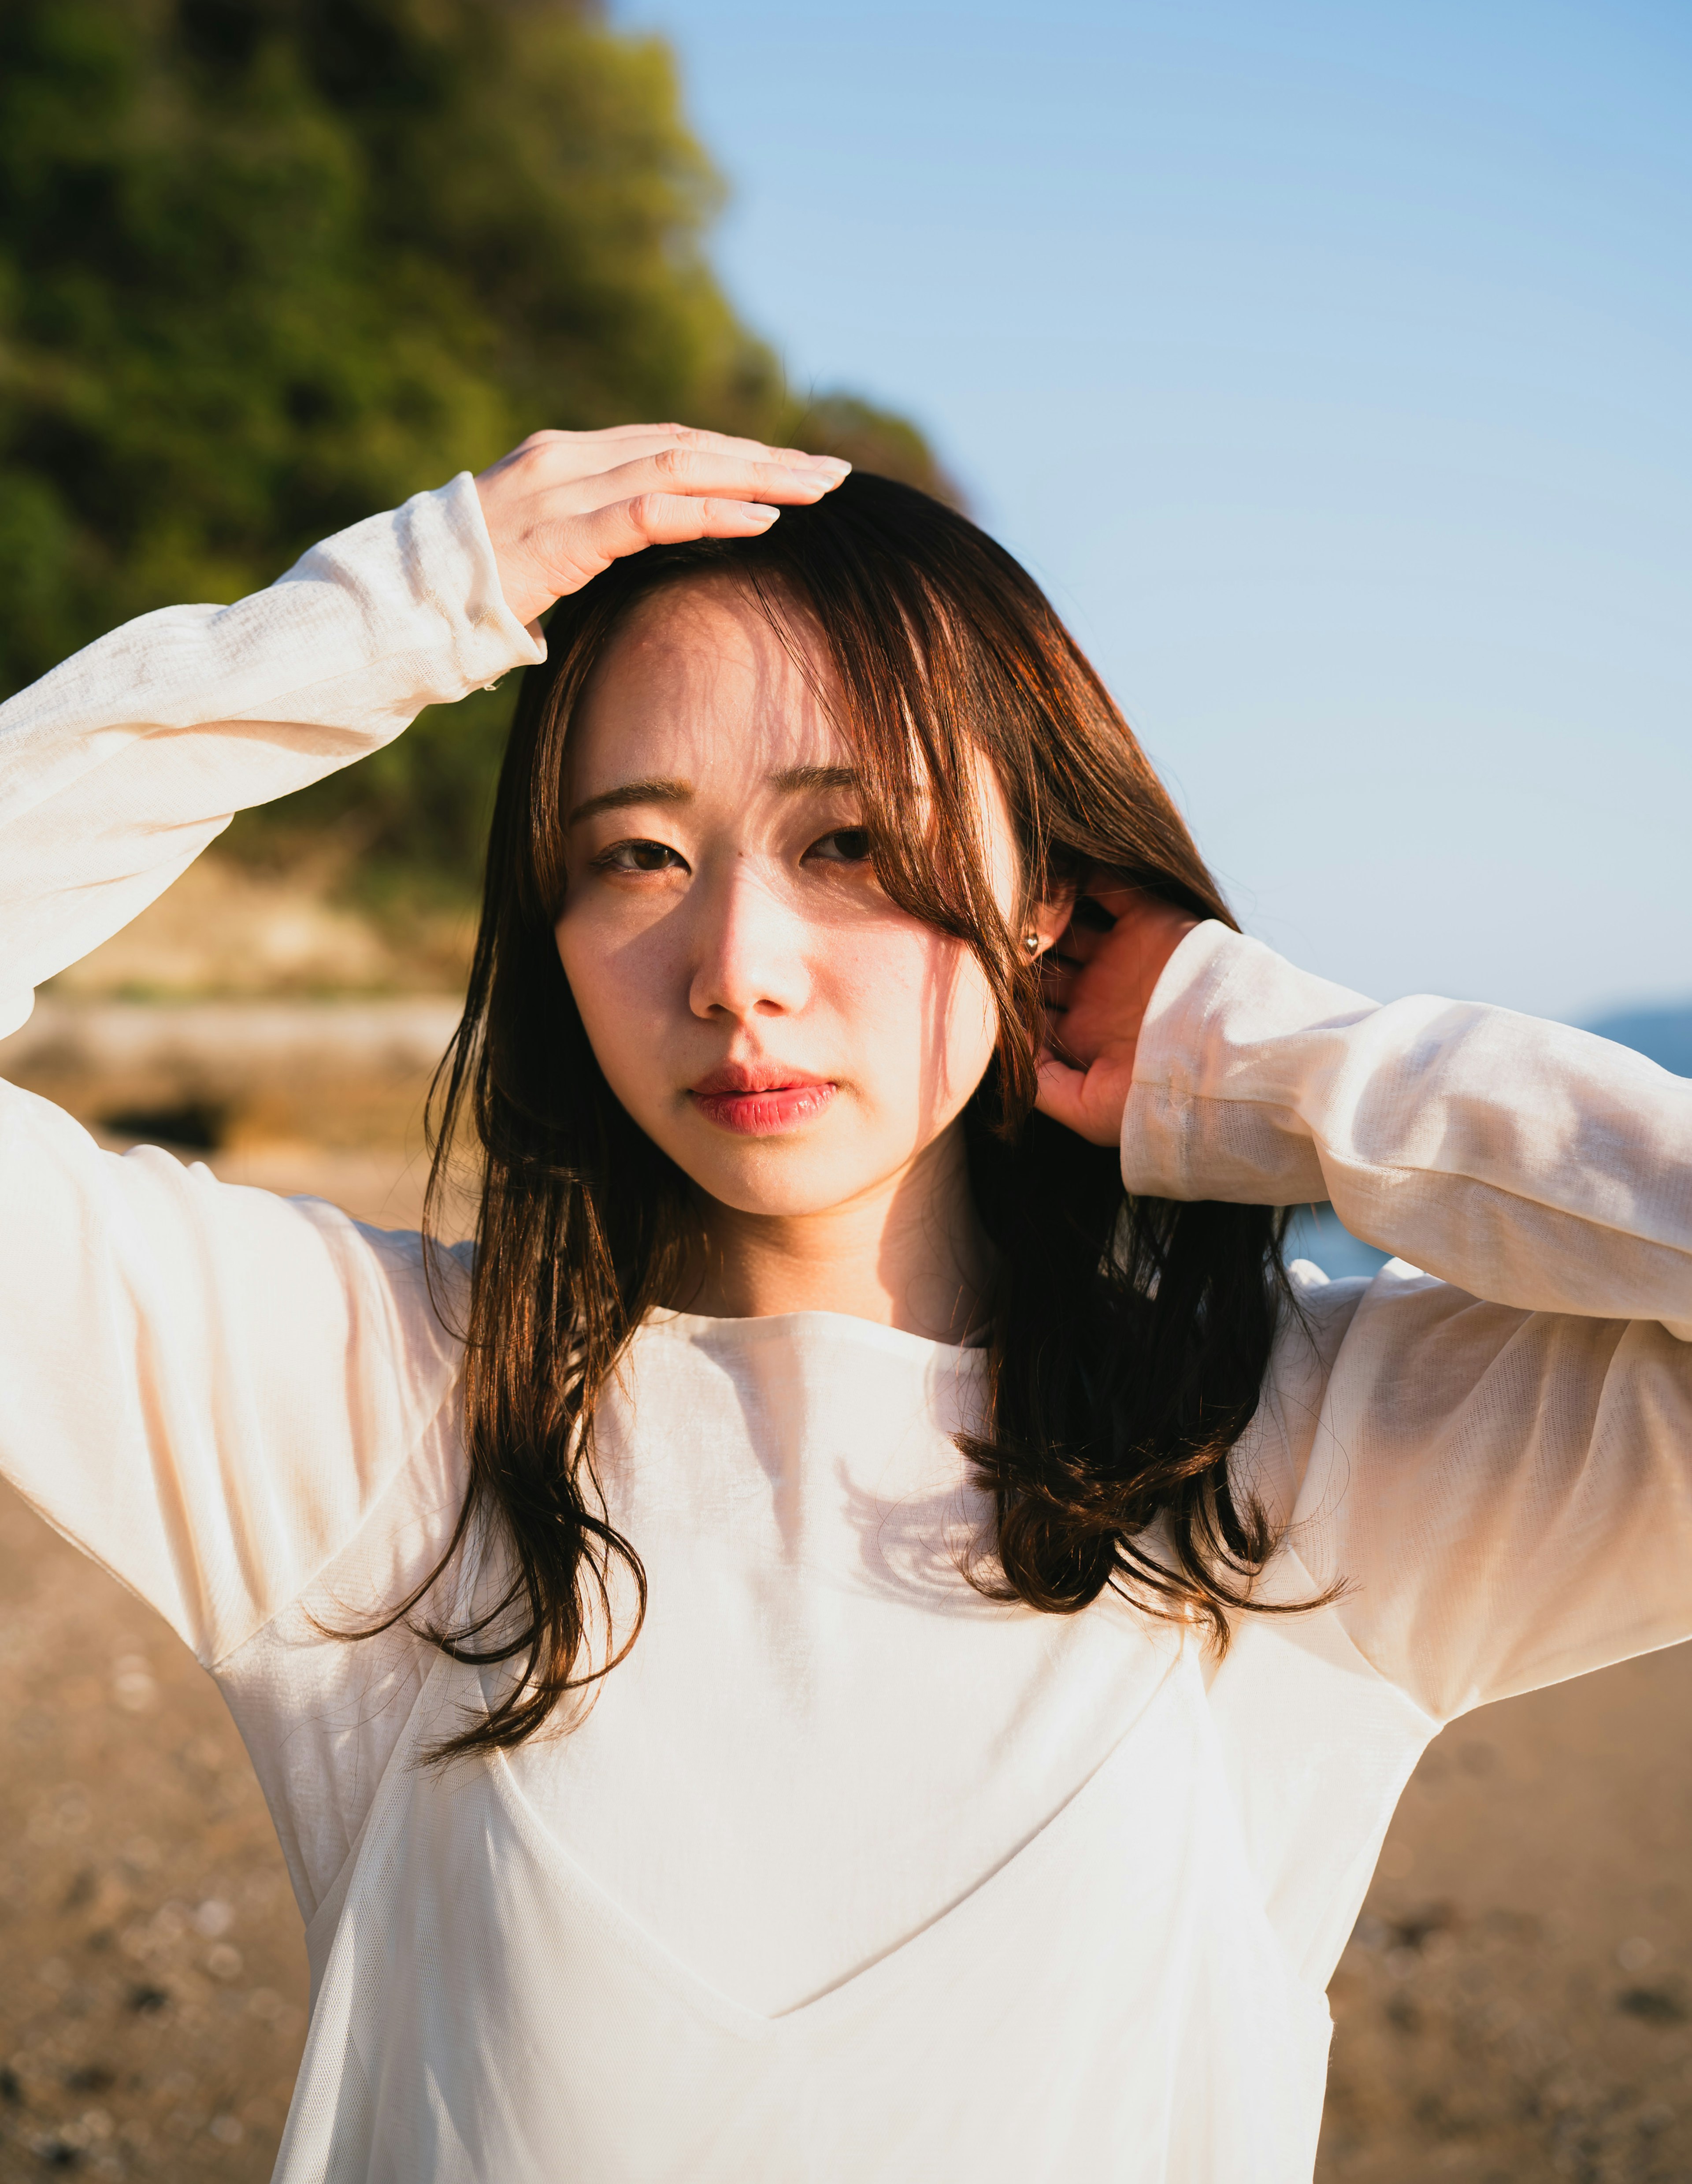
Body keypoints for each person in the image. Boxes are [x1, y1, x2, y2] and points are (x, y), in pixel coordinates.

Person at [1, 423, 1688, 2184]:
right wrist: (404, 606)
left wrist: (1253, 1058)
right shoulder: (372, 1427)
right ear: (551, 923)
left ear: (1048, 896)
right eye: (637, 855)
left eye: (854, 845)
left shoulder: (1297, 1467)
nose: (736, 969)